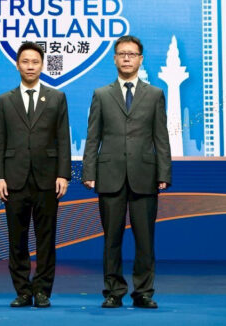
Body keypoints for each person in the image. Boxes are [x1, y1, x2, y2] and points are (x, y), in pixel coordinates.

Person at [82, 35, 171, 309]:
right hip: (109, 176)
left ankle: (143, 292)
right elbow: (93, 136)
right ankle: (113, 291)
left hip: (145, 176)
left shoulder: (155, 94)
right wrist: (89, 170)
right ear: (115, 59)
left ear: (140, 59)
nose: (127, 59)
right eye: (122, 54)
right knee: (112, 239)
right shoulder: (101, 94)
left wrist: (164, 172)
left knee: (145, 240)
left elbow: (161, 137)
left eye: (132, 54)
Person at [0, 41, 72, 308]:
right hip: (13, 179)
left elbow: (63, 139)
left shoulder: (57, 97)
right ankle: (23, 290)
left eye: (35, 61)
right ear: (17, 65)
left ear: (42, 65)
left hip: (48, 179)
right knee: (17, 239)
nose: (30, 66)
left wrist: (64, 174)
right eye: (25, 61)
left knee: (46, 238)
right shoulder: (5, 100)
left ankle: (42, 291)